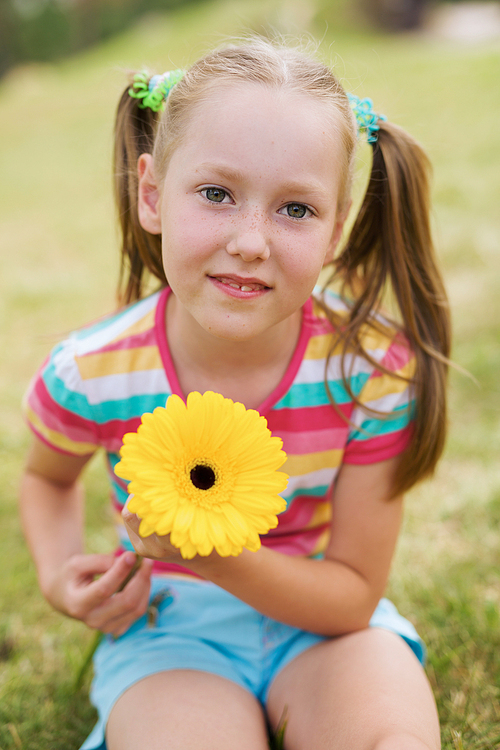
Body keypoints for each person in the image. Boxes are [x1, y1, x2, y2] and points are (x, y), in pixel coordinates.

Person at [20, 38, 450, 750]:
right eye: (217, 194)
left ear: (335, 228)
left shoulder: (369, 370)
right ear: (152, 194)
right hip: (169, 634)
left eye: (296, 210)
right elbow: (46, 481)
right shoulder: (92, 373)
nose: (252, 242)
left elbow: (352, 595)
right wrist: (63, 578)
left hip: (323, 625)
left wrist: (209, 550)